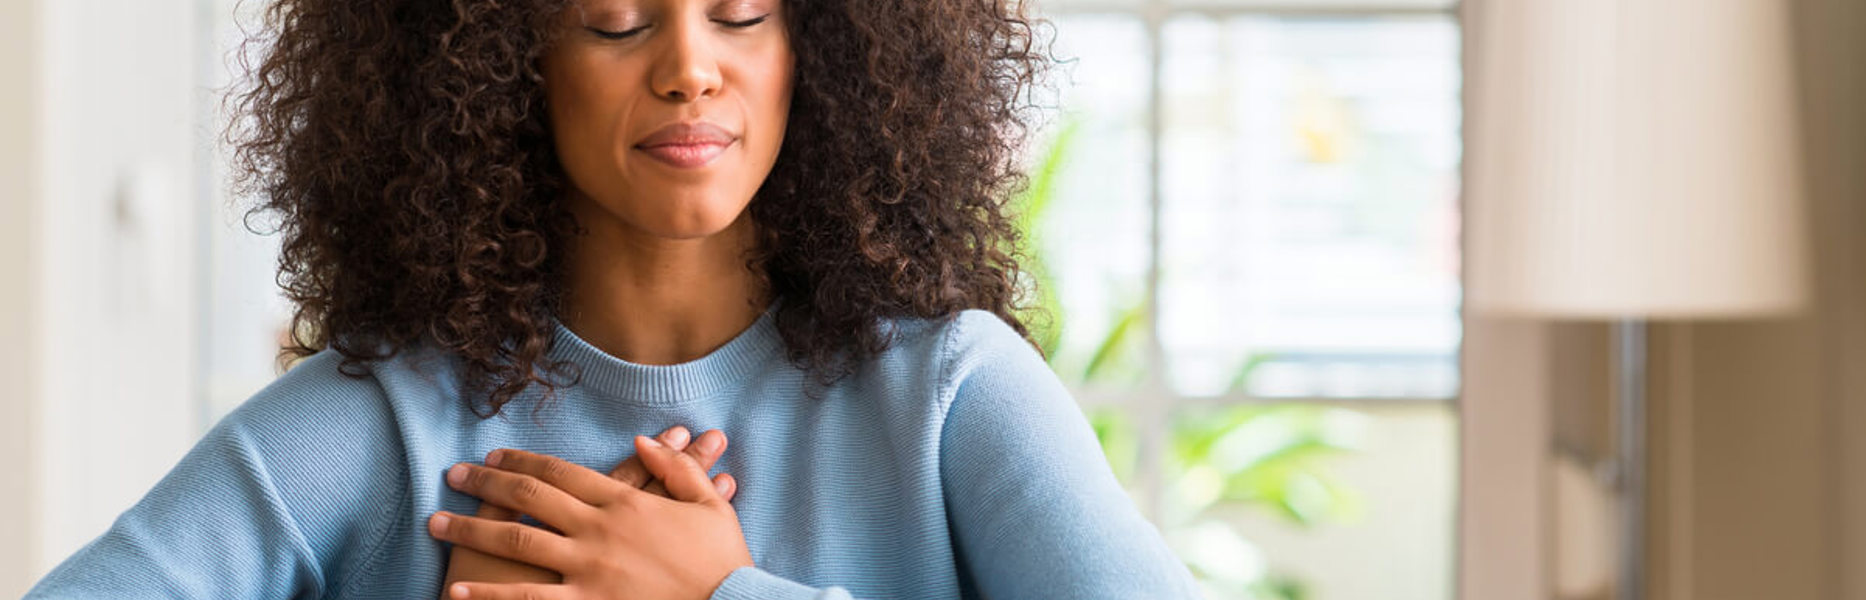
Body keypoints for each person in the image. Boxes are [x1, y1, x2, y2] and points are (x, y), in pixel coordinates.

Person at [27, 0, 1201, 597]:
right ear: (494, 57)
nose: (692, 63)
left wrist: (718, 593)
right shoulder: (374, 424)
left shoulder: (953, 396)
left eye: (742, 12)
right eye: (616, 20)